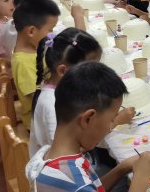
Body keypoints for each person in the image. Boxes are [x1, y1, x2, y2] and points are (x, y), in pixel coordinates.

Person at [25, 62, 150, 192]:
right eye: (111, 119)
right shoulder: (68, 177)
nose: (111, 125)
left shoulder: (52, 156)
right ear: (88, 118)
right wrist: (141, 178)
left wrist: (121, 169)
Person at [29, 28, 103, 156]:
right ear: (62, 71)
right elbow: (64, 154)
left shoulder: (60, 87)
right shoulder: (51, 105)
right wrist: (112, 123)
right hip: (61, 165)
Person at [12, 0, 60, 129]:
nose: (52, 34)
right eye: (50, 29)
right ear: (32, 31)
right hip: (40, 125)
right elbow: (40, 102)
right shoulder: (23, 63)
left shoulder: (34, 50)